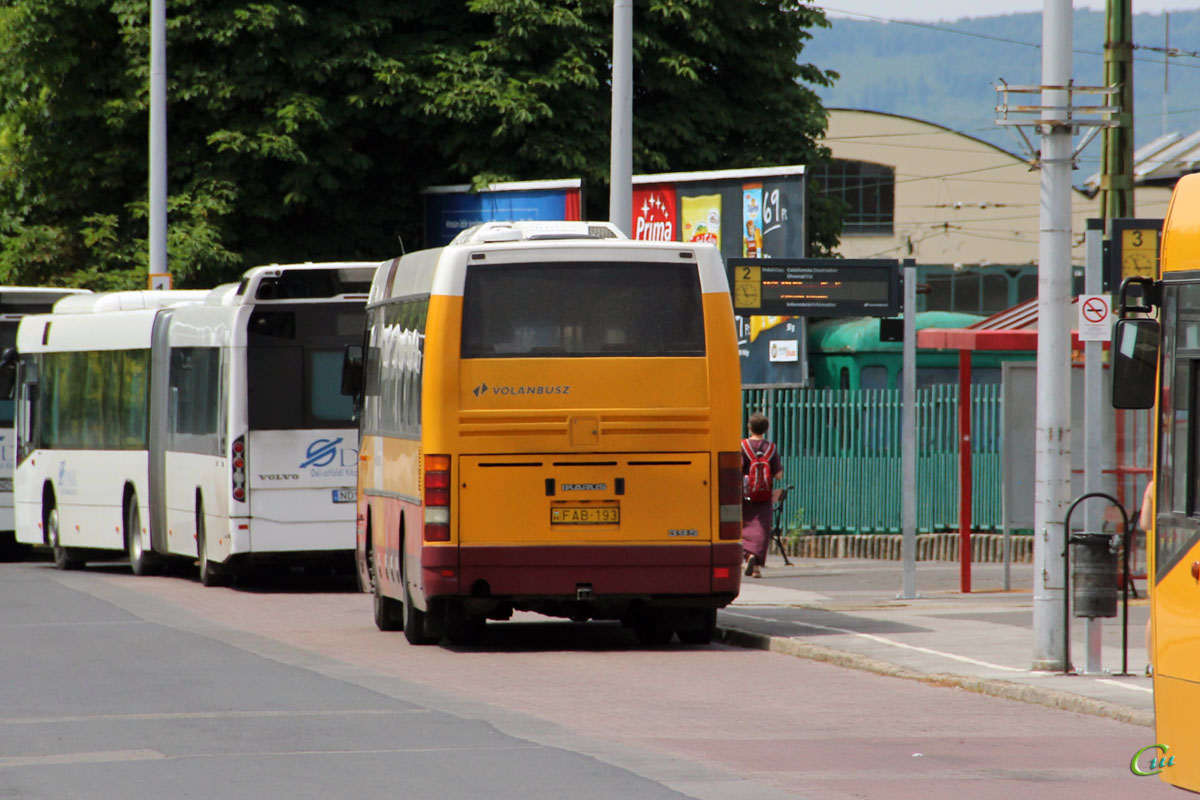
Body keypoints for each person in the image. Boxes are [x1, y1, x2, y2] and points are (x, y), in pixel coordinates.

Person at [741, 412, 783, 578]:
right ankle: (757, 566)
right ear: (766, 429)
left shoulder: (743, 446)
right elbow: (779, 475)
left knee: (745, 526)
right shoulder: (771, 448)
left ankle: (748, 555)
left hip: (746, 495)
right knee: (762, 528)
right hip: (764, 495)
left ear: (749, 427)